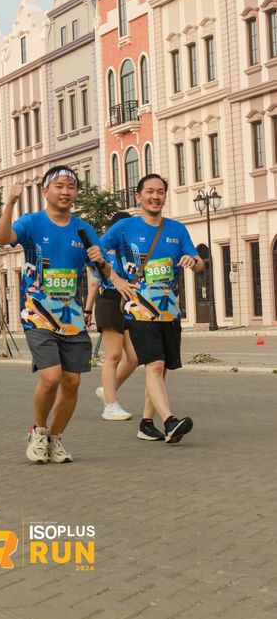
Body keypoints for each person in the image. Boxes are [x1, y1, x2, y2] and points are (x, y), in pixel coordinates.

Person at [0, 166, 104, 464]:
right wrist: (10, 203)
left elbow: (102, 273)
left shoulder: (84, 230)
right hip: (38, 313)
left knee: (72, 382)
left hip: (72, 317)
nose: (65, 192)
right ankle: (39, 430)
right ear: (45, 191)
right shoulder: (32, 222)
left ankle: (55, 438)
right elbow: (3, 238)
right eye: (59, 186)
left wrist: (101, 261)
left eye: (71, 186)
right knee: (52, 376)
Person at [99, 175, 203, 444]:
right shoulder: (124, 227)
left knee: (161, 368)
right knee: (154, 365)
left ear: (164, 196)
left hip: (169, 311)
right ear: (139, 196)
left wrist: (192, 260)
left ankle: (146, 423)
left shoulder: (177, 229)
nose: (155, 196)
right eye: (149, 192)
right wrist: (115, 279)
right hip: (138, 310)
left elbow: (199, 262)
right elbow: (95, 254)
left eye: (160, 192)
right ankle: (169, 421)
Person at [84, 211, 138, 421]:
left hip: (126, 305)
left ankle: (107, 390)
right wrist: (88, 310)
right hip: (109, 302)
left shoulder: (128, 252)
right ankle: (110, 405)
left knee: (134, 358)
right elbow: (95, 283)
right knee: (113, 356)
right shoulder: (105, 255)